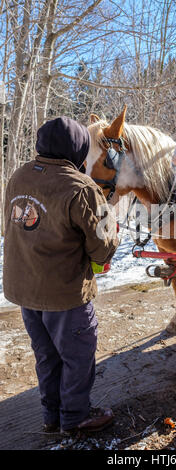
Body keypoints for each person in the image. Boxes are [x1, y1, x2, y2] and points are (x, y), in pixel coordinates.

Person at [3, 116, 119, 434]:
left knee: (47, 355)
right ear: (79, 150)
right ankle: (76, 416)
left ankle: (51, 415)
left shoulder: (18, 176)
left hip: (25, 291)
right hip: (64, 294)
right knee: (78, 356)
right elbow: (103, 247)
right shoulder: (81, 187)